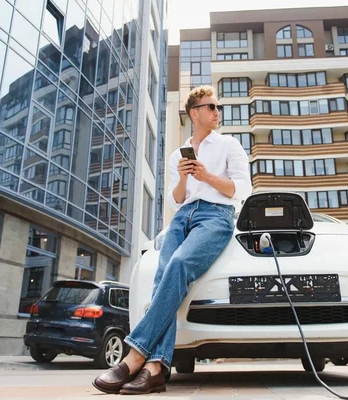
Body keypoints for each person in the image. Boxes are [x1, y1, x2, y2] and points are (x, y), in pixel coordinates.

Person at [92, 85, 252, 395]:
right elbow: (176, 201)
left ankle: (134, 356)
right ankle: (155, 368)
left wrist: (206, 177)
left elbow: (242, 191)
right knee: (162, 278)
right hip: (183, 217)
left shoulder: (230, 145)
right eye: (211, 107)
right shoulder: (177, 155)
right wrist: (183, 177)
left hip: (216, 216)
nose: (217, 112)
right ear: (195, 113)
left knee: (177, 264)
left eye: (218, 107)